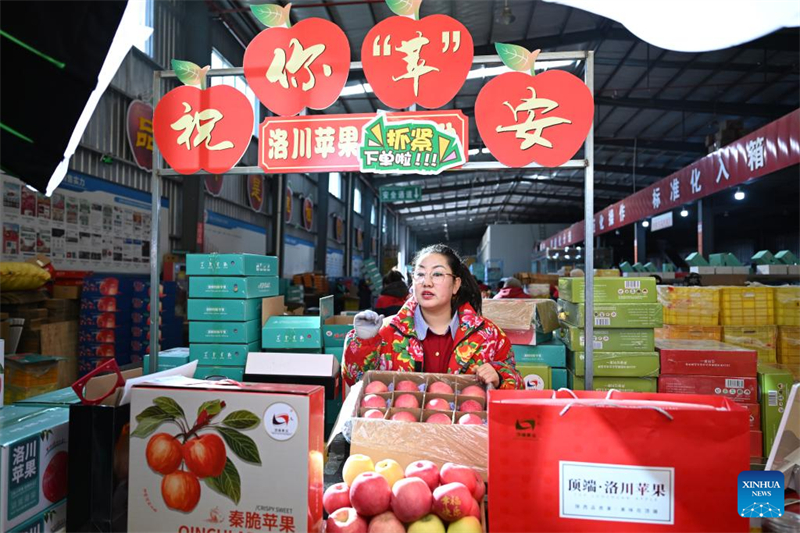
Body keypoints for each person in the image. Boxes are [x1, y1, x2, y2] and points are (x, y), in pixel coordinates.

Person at [343, 244, 523, 389]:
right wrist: (364, 342)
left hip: (467, 431)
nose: (426, 282)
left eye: (437, 274)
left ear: (455, 285)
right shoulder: (386, 332)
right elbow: (355, 380)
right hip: (399, 431)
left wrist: (499, 376)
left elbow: (517, 383)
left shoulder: (489, 336)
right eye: (420, 274)